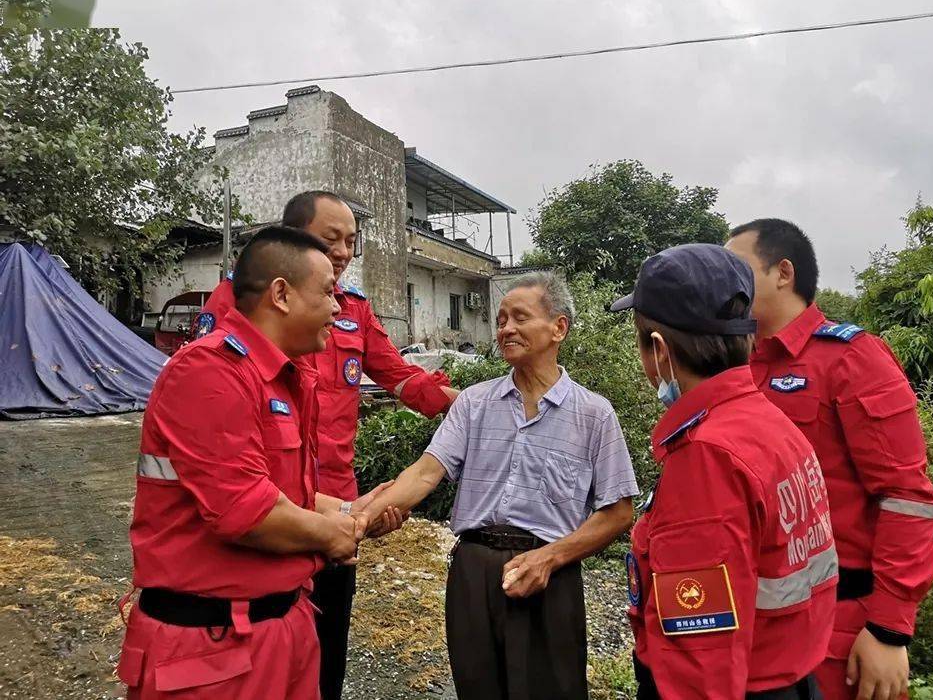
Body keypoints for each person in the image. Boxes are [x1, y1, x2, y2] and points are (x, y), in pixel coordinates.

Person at [192, 190, 458, 699]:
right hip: (266, 509)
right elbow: (221, 454)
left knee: (323, 647)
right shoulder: (236, 312)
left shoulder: (352, 309)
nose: (342, 253)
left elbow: (400, 375)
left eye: (351, 243)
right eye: (330, 239)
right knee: (257, 641)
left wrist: (468, 401)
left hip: (336, 501)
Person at [116, 226, 384, 699]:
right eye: (327, 293)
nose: (339, 308)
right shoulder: (209, 372)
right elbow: (246, 510)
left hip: (282, 626)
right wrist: (335, 535)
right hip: (215, 649)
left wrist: (350, 513)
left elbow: (288, 493)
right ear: (281, 294)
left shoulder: (283, 376)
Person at [363, 272, 638, 700]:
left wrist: (549, 558)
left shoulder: (593, 415)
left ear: (558, 328)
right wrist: (358, 518)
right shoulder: (474, 402)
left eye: (520, 318)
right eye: (501, 319)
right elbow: (425, 472)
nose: (505, 328)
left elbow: (619, 511)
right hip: (474, 570)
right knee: (478, 687)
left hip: (550, 572)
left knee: (554, 689)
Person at [612, 244, 837, 700]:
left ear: (658, 350)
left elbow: (701, 657)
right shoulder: (770, 423)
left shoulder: (708, 456)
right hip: (791, 678)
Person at [726, 220, 933, 700]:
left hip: (839, 626)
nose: (726, 285)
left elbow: (907, 497)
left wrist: (889, 628)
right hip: (755, 624)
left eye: (736, 270)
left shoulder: (850, 359)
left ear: (784, 272)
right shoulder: (739, 366)